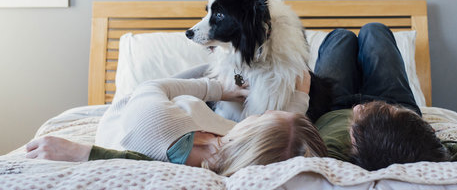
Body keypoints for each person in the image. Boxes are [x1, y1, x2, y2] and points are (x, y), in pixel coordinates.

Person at [312, 24, 457, 170]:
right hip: (395, 105)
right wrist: (437, 150)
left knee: (341, 37)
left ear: (354, 146)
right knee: (375, 31)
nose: (362, 108)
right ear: (429, 131)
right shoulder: (432, 158)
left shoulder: (332, 158)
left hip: (333, 106)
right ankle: (390, 112)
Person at [26, 71, 327, 176]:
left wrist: (216, 88)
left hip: (141, 103)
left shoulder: (157, 125)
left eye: (260, 116)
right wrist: (301, 98)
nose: (258, 113)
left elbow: (153, 87)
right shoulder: (235, 158)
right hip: (189, 115)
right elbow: (285, 143)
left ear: (253, 135)